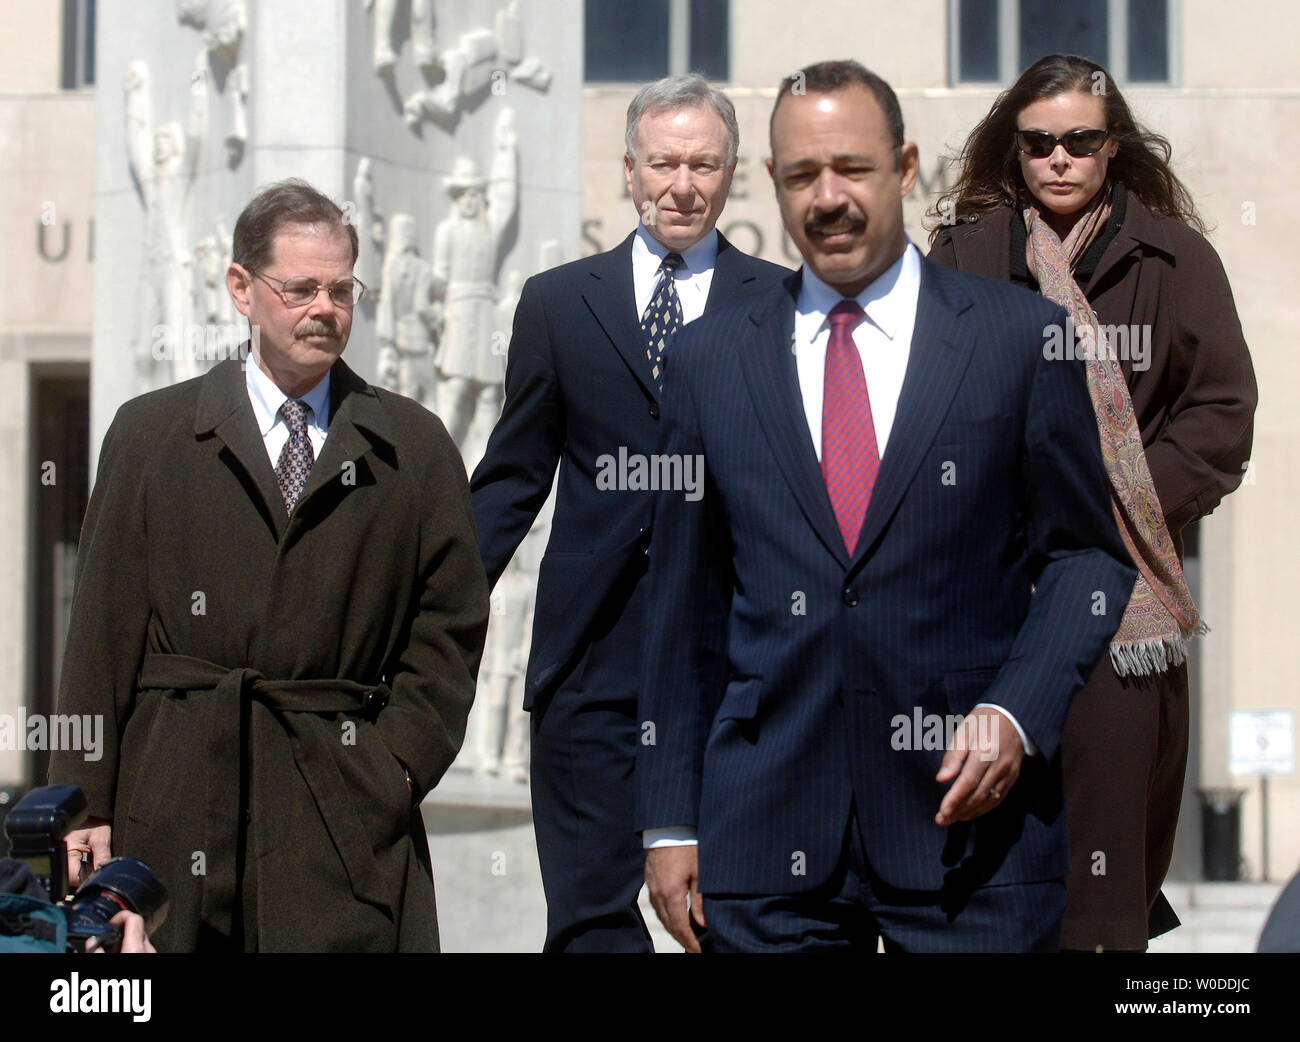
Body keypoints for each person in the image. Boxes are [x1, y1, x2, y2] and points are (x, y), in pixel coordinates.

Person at [635, 59, 1137, 953]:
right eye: (801, 176)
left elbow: (1087, 558)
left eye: (853, 169)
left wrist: (1018, 711)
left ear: (904, 167)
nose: (828, 198)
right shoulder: (711, 362)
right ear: (773, 186)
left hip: (970, 846)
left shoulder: (1021, 341)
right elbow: (682, 608)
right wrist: (670, 820)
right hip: (766, 843)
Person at [48, 180, 490, 952]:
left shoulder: (414, 448)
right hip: (175, 796)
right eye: (301, 288)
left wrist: (396, 773)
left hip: (342, 819)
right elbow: (100, 633)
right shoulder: (150, 435)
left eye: (342, 289)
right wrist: (83, 801)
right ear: (242, 289)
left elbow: (449, 630)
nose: (325, 308)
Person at [927, 53, 1257, 951]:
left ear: (1113, 147)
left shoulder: (1175, 257)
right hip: (986, 602)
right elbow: (917, 407)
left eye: (1081, 140)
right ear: (1016, 149)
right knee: (972, 871)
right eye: (1040, 143)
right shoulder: (962, 256)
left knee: (1103, 893)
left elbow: (1222, 416)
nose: (1060, 159)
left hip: (1120, 606)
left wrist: (1116, 510)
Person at [471, 74, 787, 952]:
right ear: (628, 171)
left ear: (732, 177)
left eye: (702, 164)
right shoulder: (557, 302)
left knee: (739, 920)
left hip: (736, 661)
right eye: (663, 163)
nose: (682, 184)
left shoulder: (783, 305)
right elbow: (512, 478)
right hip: (590, 663)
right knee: (590, 926)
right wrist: (429, 601)